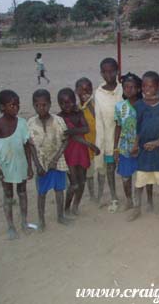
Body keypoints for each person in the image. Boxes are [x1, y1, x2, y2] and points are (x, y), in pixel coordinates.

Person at [0, 90, 33, 240]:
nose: (16, 107)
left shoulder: (22, 123)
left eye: (17, 104)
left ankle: (24, 222)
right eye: (12, 105)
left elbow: (27, 145)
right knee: (8, 195)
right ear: (2, 107)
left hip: (21, 163)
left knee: (22, 192)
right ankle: (10, 226)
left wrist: (29, 166)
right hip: (5, 166)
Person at [28, 89, 72, 231]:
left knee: (59, 190)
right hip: (42, 164)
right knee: (42, 193)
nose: (42, 108)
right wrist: (37, 165)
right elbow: (31, 147)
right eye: (38, 105)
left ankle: (60, 216)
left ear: (50, 104)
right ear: (34, 106)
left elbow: (66, 141)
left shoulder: (58, 121)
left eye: (45, 105)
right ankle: (41, 221)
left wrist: (56, 158)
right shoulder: (31, 123)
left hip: (58, 162)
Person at [128, 71, 159, 221]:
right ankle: (137, 207)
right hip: (144, 149)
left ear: (157, 86)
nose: (147, 89)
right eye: (144, 86)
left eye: (151, 86)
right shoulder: (139, 105)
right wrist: (135, 145)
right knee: (140, 180)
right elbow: (137, 128)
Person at [58, 88, 97, 216]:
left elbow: (86, 129)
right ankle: (67, 208)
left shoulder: (78, 113)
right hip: (69, 153)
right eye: (62, 103)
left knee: (82, 182)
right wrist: (89, 144)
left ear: (74, 102)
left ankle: (75, 206)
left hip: (81, 151)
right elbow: (68, 136)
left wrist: (71, 132)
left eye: (68, 102)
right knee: (74, 184)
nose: (66, 106)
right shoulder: (59, 118)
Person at [95, 57, 123, 213]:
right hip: (107, 137)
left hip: (123, 136)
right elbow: (99, 120)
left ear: (117, 71)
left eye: (112, 71)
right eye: (105, 72)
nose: (109, 74)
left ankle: (128, 195)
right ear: (101, 73)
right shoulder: (98, 94)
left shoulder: (122, 89)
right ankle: (113, 197)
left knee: (125, 169)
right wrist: (100, 143)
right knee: (109, 168)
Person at [114, 73, 142, 212]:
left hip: (141, 147)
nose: (129, 90)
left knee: (141, 176)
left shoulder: (142, 106)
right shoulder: (119, 107)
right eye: (126, 87)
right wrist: (115, 149)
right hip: (125, 147)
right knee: (125, 177)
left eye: (132, 87)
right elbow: (118, 126)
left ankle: (139, 201)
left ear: (138, 89)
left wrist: (138, 144)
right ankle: (129, 199)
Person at [75, 77, 98, 202]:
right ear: (76, 91)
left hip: (98, 144)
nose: (85, 93)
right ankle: (92, 195)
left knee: (101, 171)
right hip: (86, 147)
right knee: (89, 174)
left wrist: (90, 106)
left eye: (88, 89)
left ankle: (99, 194)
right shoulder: (77, 109)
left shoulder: (95, 105)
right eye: (81, 90)